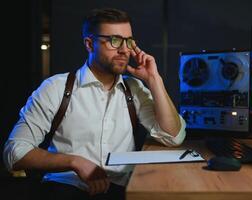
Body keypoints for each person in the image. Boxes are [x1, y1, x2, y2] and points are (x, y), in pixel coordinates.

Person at [3, 8, 186, 200]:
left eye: (128, 41)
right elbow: (14, 153)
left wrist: (154, 79)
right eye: (114, 40)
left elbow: (173, 136)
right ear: (90, 44)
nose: (124, 50)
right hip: (65, 187)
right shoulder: (56, 88)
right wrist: (75, 162)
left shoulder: (135, 89)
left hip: (119, 189)